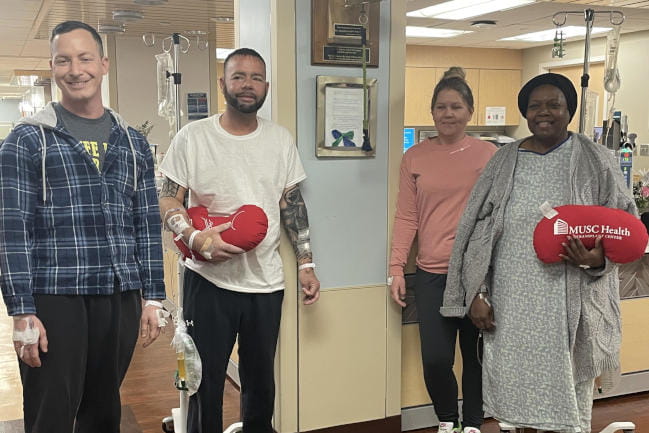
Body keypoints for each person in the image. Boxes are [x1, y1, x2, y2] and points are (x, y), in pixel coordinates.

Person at [442, 73, 635, 433]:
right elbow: (476, 233)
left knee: (569, 401)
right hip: (512, 302)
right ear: (525, 112)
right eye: (535, 106)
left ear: (569, 110)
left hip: (568, 305)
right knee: (513, 403)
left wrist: (599, 259)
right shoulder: (503, 161)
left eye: (554, 104)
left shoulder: (597, 159)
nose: (544, 112)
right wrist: (478, 292)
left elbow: (627, 228)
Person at [0, 21, 166, 433]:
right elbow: (11, 229)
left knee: (104, 409)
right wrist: (21, 311)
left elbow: (146, 223)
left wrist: (154, 297)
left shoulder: (132, 142)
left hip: (119, 293)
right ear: (53, 68)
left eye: (85, 57)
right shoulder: (28, 141)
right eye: (63, 60)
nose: (76, 69)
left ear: (103, 64)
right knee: (51, 412)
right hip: (57, 294)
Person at [158, 47, 320, 433]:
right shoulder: (194, 137)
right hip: (208, 281)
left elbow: (291, 205)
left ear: (265, 85)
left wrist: (307, 263)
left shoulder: (280, 140)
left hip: (266, 283)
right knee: (204, 381)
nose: (248, 85)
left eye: (256, 78)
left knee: (261, 382)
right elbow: (168, 196)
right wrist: (193, 236)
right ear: (223, 83)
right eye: (238, 76)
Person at [389, 67, 497, 433]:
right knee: (435, 358)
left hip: (478, 274)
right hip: (431, 273)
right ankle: (447, 419)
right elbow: (407, 217)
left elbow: (499, 217)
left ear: (469, 111)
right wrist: (395, 268)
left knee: (476, 357)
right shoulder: (415, 158)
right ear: (432, 112)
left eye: (455, 106)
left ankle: (473, 424)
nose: (447, 114)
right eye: (440, 107)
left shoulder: (489, 156)